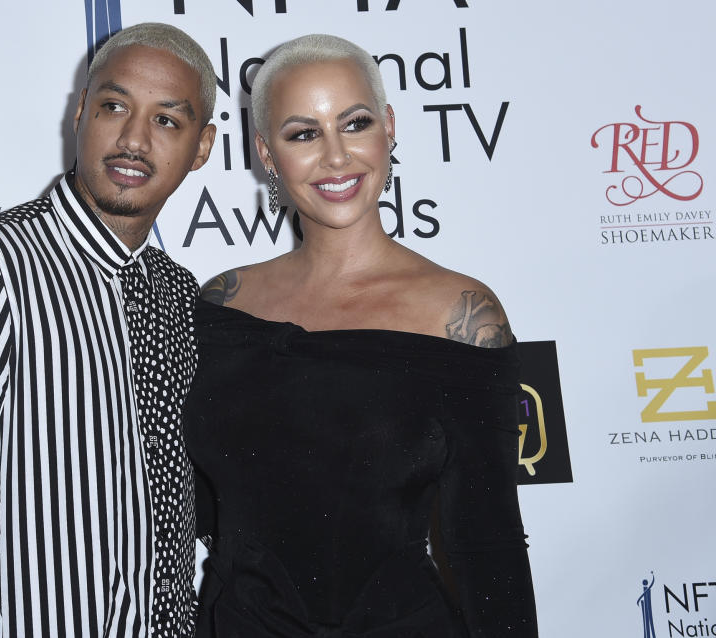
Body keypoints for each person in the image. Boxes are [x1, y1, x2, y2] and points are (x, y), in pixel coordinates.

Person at [184, 34, 538, 637]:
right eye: (303, 133)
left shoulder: (461, 314)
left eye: (354, 122)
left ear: (389, 126)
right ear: (267, 154)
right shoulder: (222, 304)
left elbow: (486, 544)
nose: (336, 156)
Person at [0, 23, 216, 637]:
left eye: (168, 120)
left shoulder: (179, 294)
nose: (134, 140)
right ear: (81, 111)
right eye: (115, 107)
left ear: (201, 147)